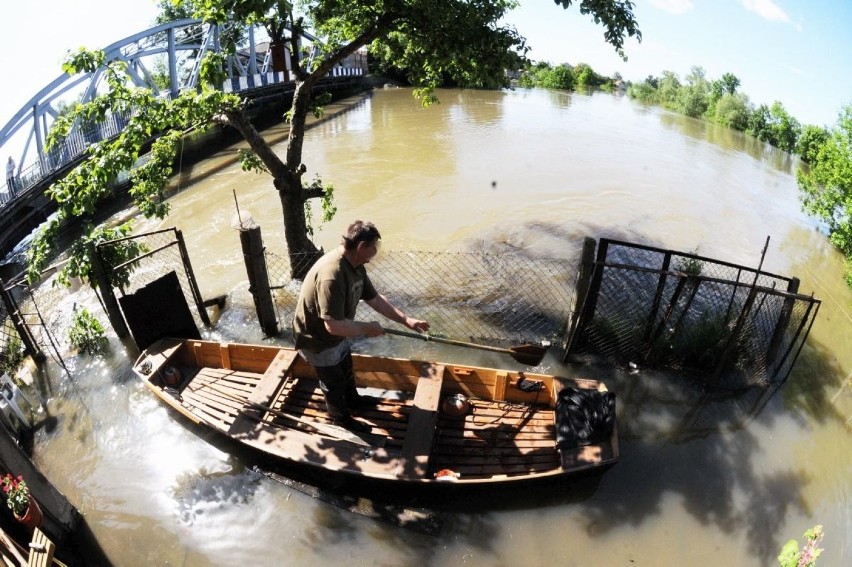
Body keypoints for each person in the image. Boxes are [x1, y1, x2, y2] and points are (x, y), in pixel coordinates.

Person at [293, 220, 429, 433]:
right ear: (361, 247)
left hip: (339, 332)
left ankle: (354, 401)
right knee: (334, 383)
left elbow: (374, 299)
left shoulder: (356, 266)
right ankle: (341, 419)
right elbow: (333, 326)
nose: (376, 251)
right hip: (317, 339)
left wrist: (406, 320)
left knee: (346, 369)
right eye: (375, 245)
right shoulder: (332, 274)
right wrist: (367, 328)